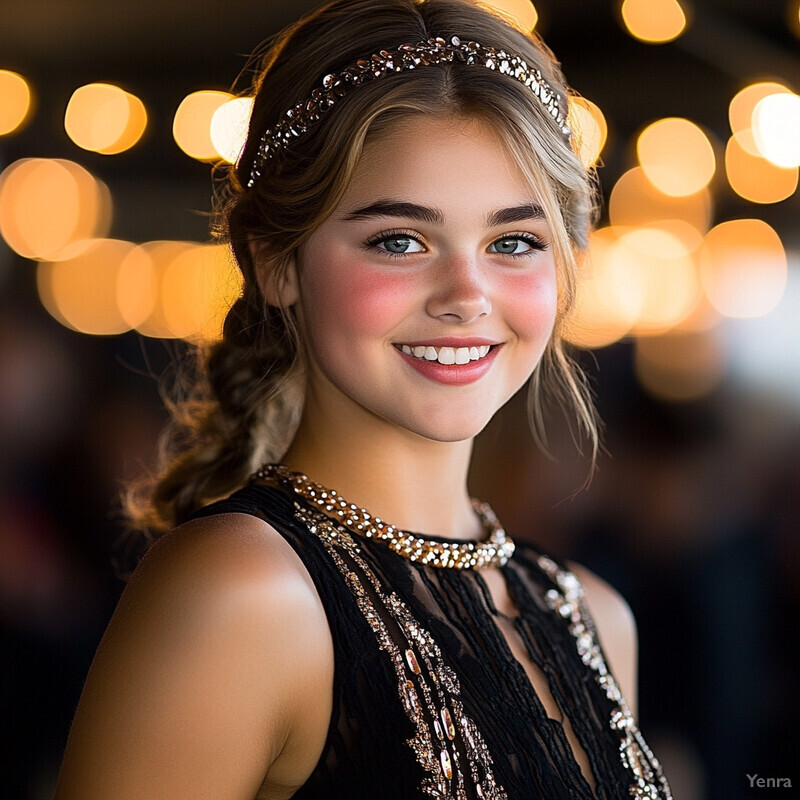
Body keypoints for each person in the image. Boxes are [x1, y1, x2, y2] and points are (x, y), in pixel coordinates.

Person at [54, 1, 672, 798]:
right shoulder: (241, 595)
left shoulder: (593, 618)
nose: (466, 295)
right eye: (399, 241)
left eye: (513, 241)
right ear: (276, 262)